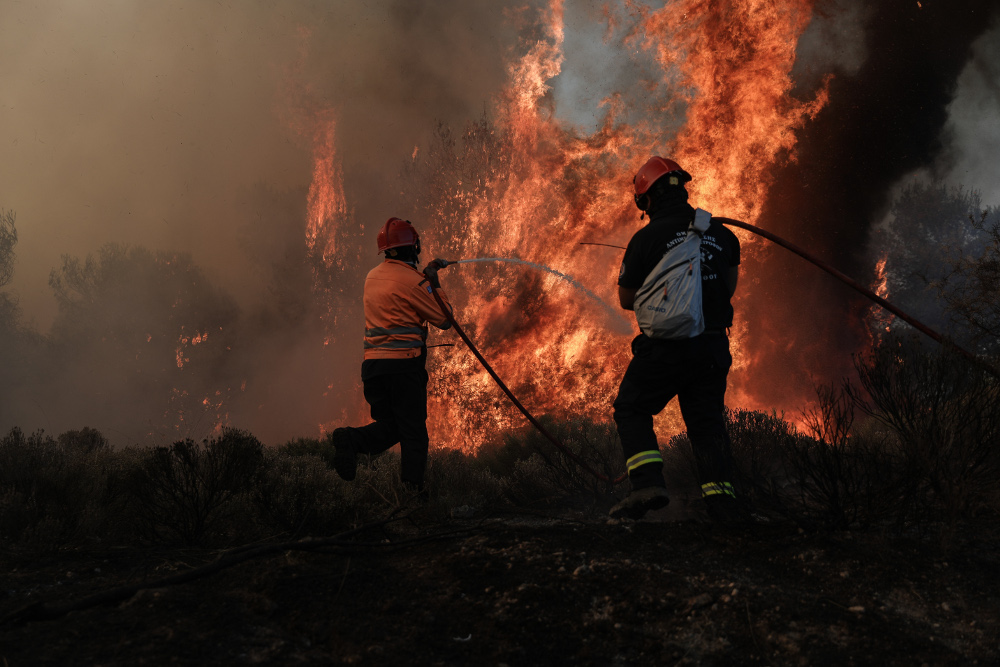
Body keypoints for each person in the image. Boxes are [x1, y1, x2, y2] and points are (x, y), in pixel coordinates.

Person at [609, 157, 743, 522]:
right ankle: (723, 503)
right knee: (707, 426)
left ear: (645, 200)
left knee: (632, 407)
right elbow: (727, 289)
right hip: (713, 347)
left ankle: (648, 484)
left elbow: (626, 300)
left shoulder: (646, 238)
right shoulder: (721, 233)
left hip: (666, 349)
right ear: (683, 189)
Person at [330, 217, 452, 495]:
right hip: (403, 368)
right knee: (414, 434)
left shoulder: (371, 278)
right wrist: (434, 280)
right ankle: (412, 495)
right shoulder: (415, 282)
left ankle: (351, 439)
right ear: (414, 247)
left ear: (386, 250)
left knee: (393, 427)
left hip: (374, 369)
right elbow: (445, 320)